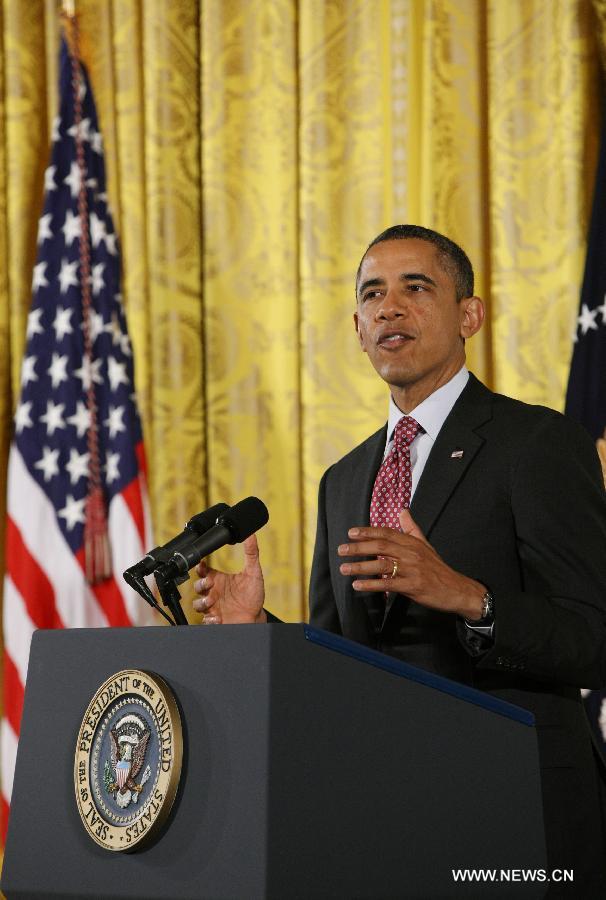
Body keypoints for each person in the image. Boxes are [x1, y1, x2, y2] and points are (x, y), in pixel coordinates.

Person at [192, 225, 606, 895]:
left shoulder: (535, 443)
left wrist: (469, 597)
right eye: (372, 295)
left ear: (469, 314)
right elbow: (338, 661)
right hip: (390, 814)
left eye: (416, 288)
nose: (389, 308)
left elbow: (594, 638)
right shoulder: (344, 479)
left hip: (518, 811)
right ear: (357, 328)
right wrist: (259, 628)